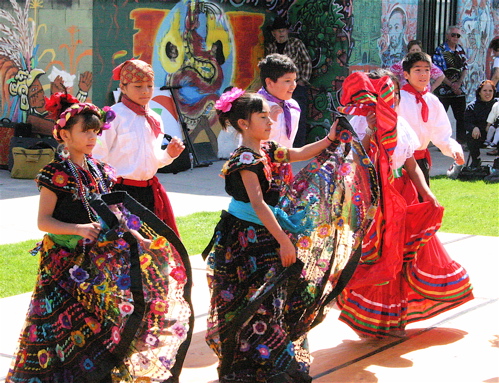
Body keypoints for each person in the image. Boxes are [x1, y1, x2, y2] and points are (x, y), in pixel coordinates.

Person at [6, 93, 192, 382]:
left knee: (104, 321)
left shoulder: (101, 170)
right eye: (85, 131)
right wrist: (78, 229)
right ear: (64, 135)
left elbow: (113, 212)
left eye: (95, 131)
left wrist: (136, 235)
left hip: (98, 261)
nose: (93, 137)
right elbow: (43, 222)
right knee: (62, 325)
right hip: (63, 264)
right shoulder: (53, 173)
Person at [203, 88, 378, 382]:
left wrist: (330, 139)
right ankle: (255, 364)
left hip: (264, 233)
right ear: (244, 124)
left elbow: (296, 154)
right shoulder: (245, 158)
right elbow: (258, 205)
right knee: (256, 300)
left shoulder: (266, 149)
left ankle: (270, 361)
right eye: (263, 116)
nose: (271, 121)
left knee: (271, 300)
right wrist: (284, 241)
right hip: (246, 239)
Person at [337, 70, 474, 339]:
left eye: (396, 95)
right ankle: (377, 318)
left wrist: (426, 193)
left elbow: (411, 165)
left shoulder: (401, 124)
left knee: (406, 256)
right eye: (388, 95)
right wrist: (372, 131)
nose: (393, 100)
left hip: (404, 196)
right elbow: (356, 160)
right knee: (382, 256)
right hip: (376, 197)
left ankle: (396, 319)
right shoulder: (361, 123)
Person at [93, 59, 184, 236]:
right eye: (138, 86)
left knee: (152, 248)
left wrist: (169, 155)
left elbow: (155, 160)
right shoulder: (114, 115)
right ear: (124, 87)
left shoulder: (154, 118)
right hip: (120, 193)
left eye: (149, 86)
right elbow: (98, 156)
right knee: (126, 246)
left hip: (149, 192)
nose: (145, 91)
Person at [398, 51, 464, 185]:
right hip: (399, 161)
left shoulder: (432, 101)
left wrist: (453, 149)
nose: (423, 74)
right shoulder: (398, 99)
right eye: (417, 70)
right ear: (406, 74)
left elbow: (441, 133)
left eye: (427, 70)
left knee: (423, 201)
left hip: (421, 159)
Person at [265, 16, 312, 147]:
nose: (281, 34)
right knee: (278, 116)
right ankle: (279, 145)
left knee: (298, 116)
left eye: (283, 31)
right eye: (278, 31)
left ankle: (298, 146)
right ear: (273, 33)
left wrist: (302, 81)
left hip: (295, 86)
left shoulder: (296, 43)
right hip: (277, 89)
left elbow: (306, 61)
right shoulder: (271, 47)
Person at [433, 26, 468, 145]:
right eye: (453, 35)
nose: (455, 38)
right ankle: (440, 142)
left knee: (462, 116)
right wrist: (451, 85)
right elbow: (438, 70)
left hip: (458, 89)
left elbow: (465, 67)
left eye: (458, 35)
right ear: (448, 36)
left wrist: (458, 84)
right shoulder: (440, 50)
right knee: (441, 117)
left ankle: (462, 141)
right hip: (444, 89)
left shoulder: (460, 50)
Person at [257, 53, 301, 149]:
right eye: (287, 81)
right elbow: (248, 141)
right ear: (269, 82)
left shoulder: (293, 106)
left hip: (284, 161)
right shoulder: (256, 106)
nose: (293, 85)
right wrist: (269, 121)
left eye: (294, 80)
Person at [464, 80, 498, 167]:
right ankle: (475, 160)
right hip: (480, 134)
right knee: (470, 137)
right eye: (485, 90)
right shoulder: (472, 106)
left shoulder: (497, 104)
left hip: (496, 134)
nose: (488, 93)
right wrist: (473, 128)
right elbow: (467, 122)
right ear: (479, 92)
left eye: (490, 91)